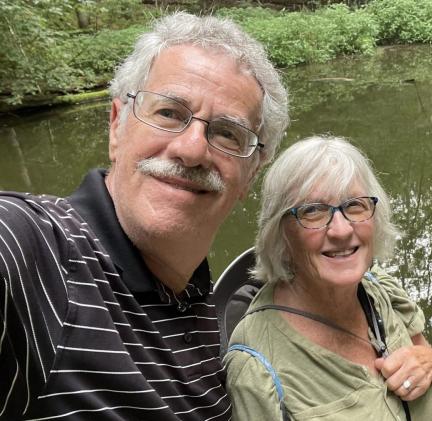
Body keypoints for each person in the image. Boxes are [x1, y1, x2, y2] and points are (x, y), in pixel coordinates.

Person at [0, 12, 288, 420]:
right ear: (117, 126)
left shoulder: (200, 307)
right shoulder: (37, 255)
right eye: (169, 113)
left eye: (227, 133)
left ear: (250, 175)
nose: (192, 150)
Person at [224, 136, 432, 420]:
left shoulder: (380, 288)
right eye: (313, 211)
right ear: (281, 233)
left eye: (354, 205)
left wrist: (431, 362)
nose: (341, 231)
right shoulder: (255, 368)